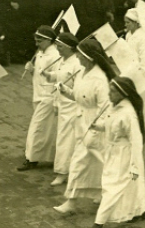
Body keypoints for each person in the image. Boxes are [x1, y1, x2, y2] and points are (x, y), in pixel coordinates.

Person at [53, 39, 116, 214]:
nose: (77, 56)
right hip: (81, 123)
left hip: (97, 127)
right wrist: (66, 91)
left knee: (85, 163)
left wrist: (96, 132)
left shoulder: (100, 79)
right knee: (89, 163)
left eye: (80, 54)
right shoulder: (81, 72)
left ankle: (74, 202)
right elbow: (80, 97)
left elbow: (106, 108)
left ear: (88, 57)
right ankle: (90, 196)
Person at [87, 77, 145, 228]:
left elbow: (136, 141)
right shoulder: (113, 107)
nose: (109, 94)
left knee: (112, 187)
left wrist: (134, 164)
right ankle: (140, 210)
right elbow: (110, 126)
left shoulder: (128, 113)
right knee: (132, 183)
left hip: (124, 155)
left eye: (113, 91)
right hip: (112, 153)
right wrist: (97, 126)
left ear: (122, 93)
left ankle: (99, 222)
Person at [17, 25, 60, 171]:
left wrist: (55, 99)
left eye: (39, 41)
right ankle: (50, 156)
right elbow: (38, 74)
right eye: (36, 41)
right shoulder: (40, 53)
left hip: (48, 96)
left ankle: (31, 158)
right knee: (46, 128)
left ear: (48, 41)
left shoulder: (56, 55)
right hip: (38, 94)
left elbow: (58, 78)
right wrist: (31, 70)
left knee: (37, 127)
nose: (36, 44)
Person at [42, 32, 81, 186]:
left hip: (73, 106)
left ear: (70, 48)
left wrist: (65, 90)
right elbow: (60, 75)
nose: (58, 49)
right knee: (64, 139)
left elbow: (77, 87)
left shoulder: (77, 63)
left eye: (60, 46)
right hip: (62, 104)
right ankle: (67, 170)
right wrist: (49, 76)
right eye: (57, 46)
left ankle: (63, 172)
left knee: (67, 140)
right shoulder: (62, 60)